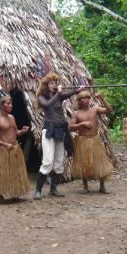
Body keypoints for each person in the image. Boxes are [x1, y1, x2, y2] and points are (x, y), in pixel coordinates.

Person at [34, 72, 83, 200]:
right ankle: (38, 191)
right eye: (51, 83)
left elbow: (68, 94)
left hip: (61, 130)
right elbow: (47, 104)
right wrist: (58, 93)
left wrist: (78, 90)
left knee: (59, 163)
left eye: (55, 83)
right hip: (49, 131)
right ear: (46, 85)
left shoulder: (58, 96)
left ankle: (53, 188)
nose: (54, 85)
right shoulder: (41, 97)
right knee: (47, 162)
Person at [0, 94, 30, 203]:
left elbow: (16, 132)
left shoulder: (12, 117)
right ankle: (0, 195)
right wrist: (5, 144)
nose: (11, 105)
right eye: (8, 103)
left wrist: (22, 131)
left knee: (15, 171)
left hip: (14, 148)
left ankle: (15, 192)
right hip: (3, 150)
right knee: (2, 171)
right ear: (2, 105)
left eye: (11, 103)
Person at [68, 90, 113, 194]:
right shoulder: (76, 113)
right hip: (82, 140)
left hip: (95, 139)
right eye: (84, 98)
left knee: (100, 163)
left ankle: (102, 186)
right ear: (79, 101)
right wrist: (82, 124)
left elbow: (109, 110)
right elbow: (70, 127)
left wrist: (101, 98)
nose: (87, 100)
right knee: (84, 164)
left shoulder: (95, 109)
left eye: (88, 98)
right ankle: (85, 187)